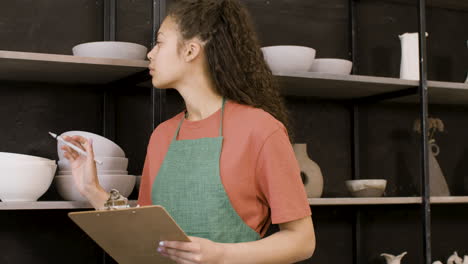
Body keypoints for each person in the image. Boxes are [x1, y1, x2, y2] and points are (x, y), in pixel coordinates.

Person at [61, 0, 316, 263]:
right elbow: (146, 229)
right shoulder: (162, 135)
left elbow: (302, 240)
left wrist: (221, 255)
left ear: (191, 50)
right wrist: (92, 188)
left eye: (159, 43)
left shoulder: (261, 129)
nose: (150, 54)